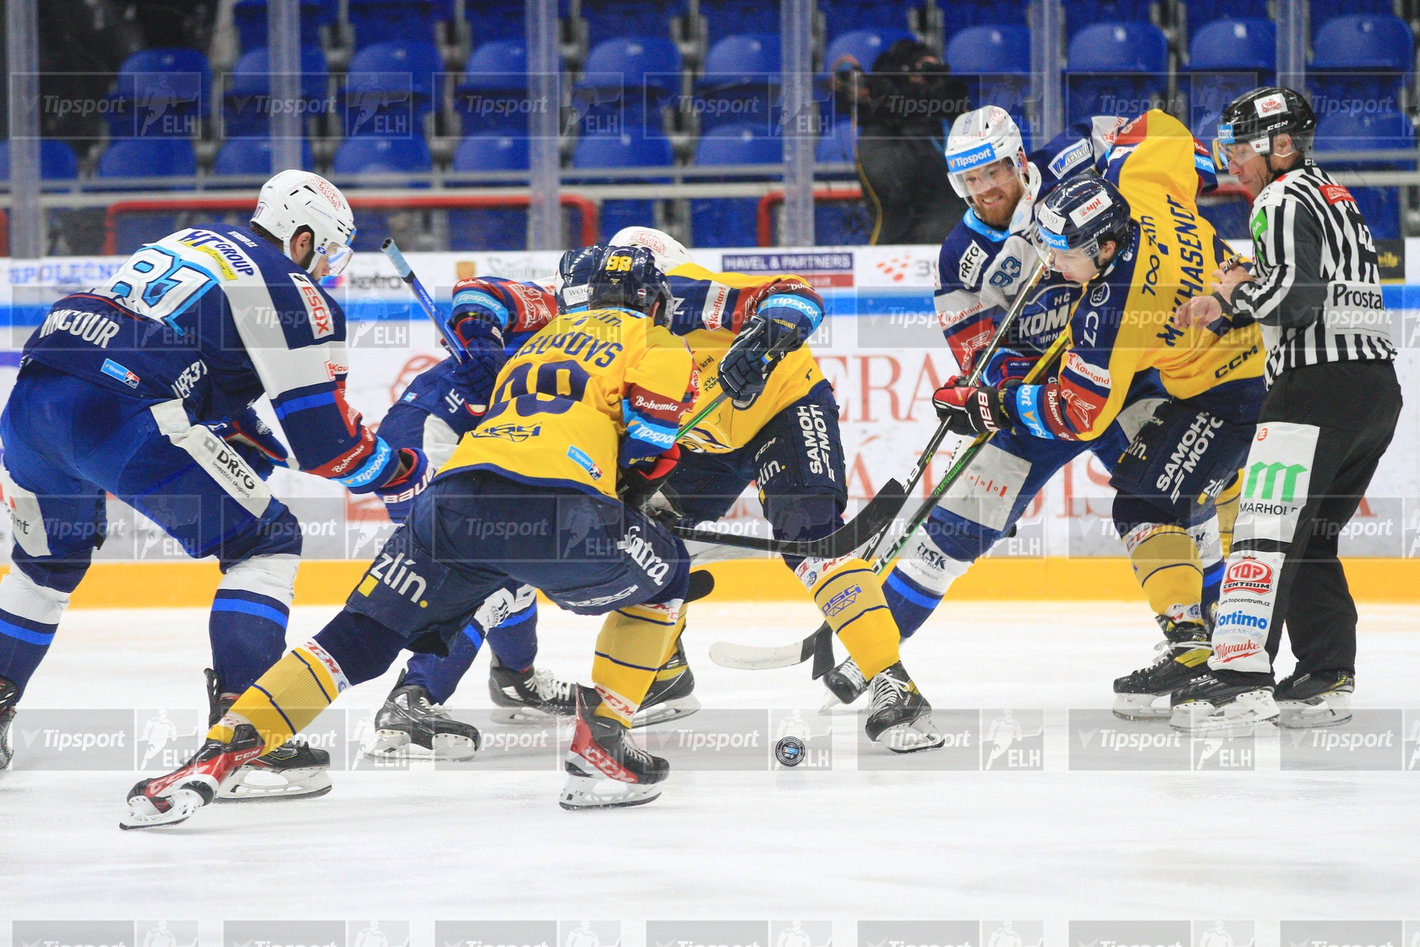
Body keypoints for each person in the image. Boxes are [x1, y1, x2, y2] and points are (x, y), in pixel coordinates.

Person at [122, 246, 702, 825]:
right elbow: (648, 447)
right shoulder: (659, 343)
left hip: (452, 502)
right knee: (668, 579)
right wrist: (639, 499)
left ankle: (224, 748)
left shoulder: (541, 335)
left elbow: (490, 316)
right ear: (653, 301)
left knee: (353, 640)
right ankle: (600, 745)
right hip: (558, 509)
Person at [369, 226, 946, 757]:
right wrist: (486, 347)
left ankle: (893, 683)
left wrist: (769, 337)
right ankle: (665, 672)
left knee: (813, 542)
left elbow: (797, 294)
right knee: (642, 547)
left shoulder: (684, 292)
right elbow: (480, 295)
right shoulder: (578, 298)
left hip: (780, 408)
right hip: (692, 439)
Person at [0, 171, 428, 799]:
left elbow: (176, 345)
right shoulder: (291, 289)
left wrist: (232, 425)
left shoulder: (193, 242)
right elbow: (330, 448)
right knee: (267, 540)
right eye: (329, 251)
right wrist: (404, 474)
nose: (328, 269)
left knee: (46, 564)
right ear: (302, 238)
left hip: (32, 402)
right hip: (122, 411)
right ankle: (243, 737)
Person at [818, 108, 1255, 723]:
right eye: (969, 181)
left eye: (993, 171)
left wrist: (1201, 163)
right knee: (948, 535)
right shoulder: (958, 260)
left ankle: (1206, 650)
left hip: (1125, 381)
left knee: (1176, 503)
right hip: (1041, 405)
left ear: (1017, 160)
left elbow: (1135, 133)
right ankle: (873, 661)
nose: (984, 189)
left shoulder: (1072, 158)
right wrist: (996, 396)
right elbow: (980, 360)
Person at [934, 164, 1265, 715]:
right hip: (1231, 367)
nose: (1052, 265)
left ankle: (1217, 655)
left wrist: (991, 405)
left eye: (1064, 254)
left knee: (1148, 501)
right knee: (1160, 495)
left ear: (1106, 247)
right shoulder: (1143, 186)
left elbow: (1078, 413)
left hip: (1233, 391)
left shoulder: (1107, 312)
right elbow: (1163, 134)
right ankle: (1213, 646)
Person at [1172, 87, 1401, 732]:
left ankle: (1240, 678)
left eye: (1241, 145)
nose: (1232, 159)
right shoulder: (1332, 195)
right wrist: (1249, 281)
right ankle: (1326, 674)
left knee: (1264, 530)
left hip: (1312, 386)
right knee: (1311, 537)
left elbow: (1297, 298)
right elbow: (1313, 277)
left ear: (1279, 145)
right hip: (1373, 393)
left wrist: (1227, 305)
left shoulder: (1280, 197)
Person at [837, 38, 970, 244]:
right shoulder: (880, 131)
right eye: (923, 68)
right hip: (899, 246)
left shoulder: (957, 122)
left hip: (955, 238)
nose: (932, 77)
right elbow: (893, 190)